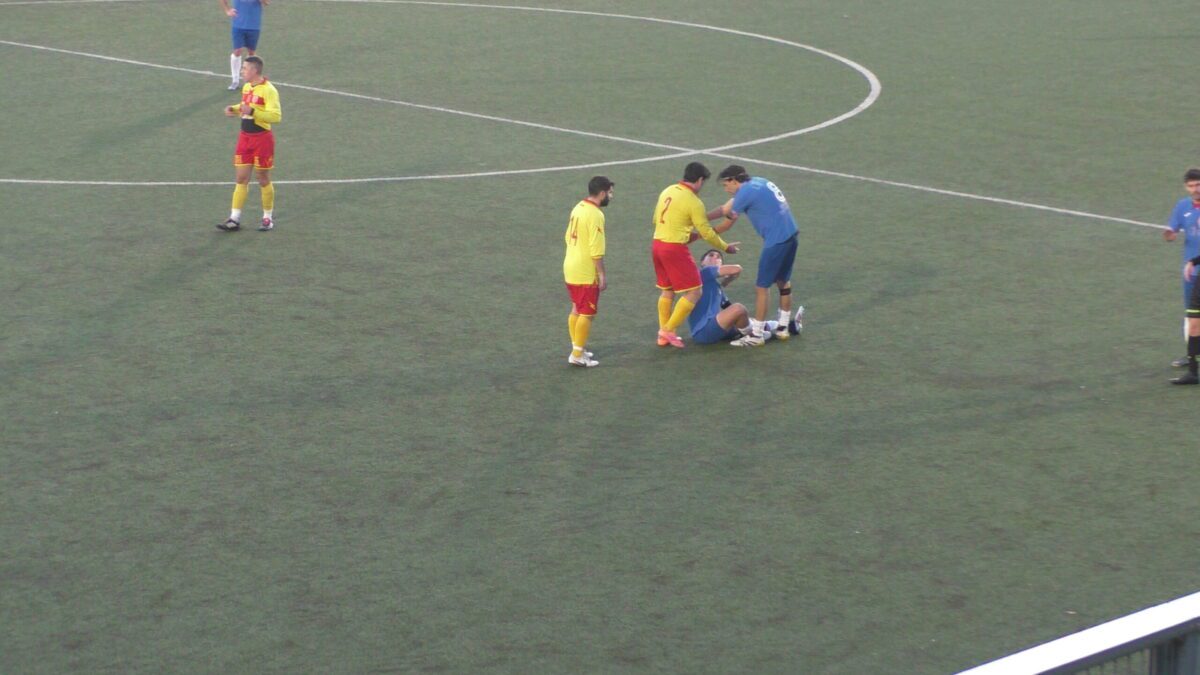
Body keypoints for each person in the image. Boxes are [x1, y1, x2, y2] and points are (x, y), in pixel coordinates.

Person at [709, 165, 804, 340]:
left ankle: (757, 334)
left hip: (776, 241)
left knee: (761, 287)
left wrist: (702, 233)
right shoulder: (758, 182)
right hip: (791, 235)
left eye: (726, 184)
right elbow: (725, 208)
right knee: (783, 282)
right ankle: (783, 328)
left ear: (734, 180)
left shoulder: (744, 194)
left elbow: (726, 224)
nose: (725, 189)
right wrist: (701, 217)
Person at [651, 162, 739, 348]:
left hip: (657, 244)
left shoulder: (667, 191)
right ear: (699, 180)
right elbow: (707, 233)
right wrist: (726, 248)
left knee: (667, 289)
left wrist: (684, 231)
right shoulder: (693, 201)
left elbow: (657, 219)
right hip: (674, 248)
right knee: (695, 291)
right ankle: (668, 330)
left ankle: (663, 336)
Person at [218, 56, 281, 232]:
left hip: (262, 140)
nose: (242, 71)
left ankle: (267, 217)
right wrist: (234, 108)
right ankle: (234, 218)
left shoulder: (269, 90)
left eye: (245, 68)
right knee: (241, 178)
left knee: (262, 178)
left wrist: (253, 111)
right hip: (244, 138)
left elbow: (276, 116)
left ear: (254, 70)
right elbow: (245, 105)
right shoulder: (247, 87)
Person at [563, 176, 614, 367]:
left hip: (570, 265)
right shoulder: (596, 214)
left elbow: (567, 236)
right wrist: (601, 274)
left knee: (577, 308)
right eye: (609, 193)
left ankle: (578, 347)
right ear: (601, 193)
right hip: (585, 270)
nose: (611, 196)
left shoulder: (578, 207)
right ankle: (577, 354)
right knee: (587, 313)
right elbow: (596, 249)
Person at [1163, 168, 1200, 379]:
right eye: (1191, 186)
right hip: (1192, 273)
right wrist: (1169, 234)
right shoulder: (1182, 206)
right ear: (1186, 187)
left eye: (1198, 185)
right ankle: (1193, 354)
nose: (1195, 189)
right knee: (1192, 315)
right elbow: (1172, 232)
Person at [687, 250, 768, 347]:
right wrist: (728, 279)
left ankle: (767, 328)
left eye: (718, 257)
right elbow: (737, 269)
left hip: (713, 328)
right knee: (738, 309)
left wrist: (726, 281)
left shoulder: (716, 286)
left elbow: (727, 306)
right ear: (702, 263)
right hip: (703, 331)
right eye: (711, 255)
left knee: (745, 318)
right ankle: (752, 335)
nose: (715, 257)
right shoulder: (704, 272)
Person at [219, 0, 269, 91]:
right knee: (237, 51)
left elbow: (266, 2)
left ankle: (250, 80)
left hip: (254, 26)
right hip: (238, 25)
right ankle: (235, 80)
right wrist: (227, 10)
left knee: (251, 53)